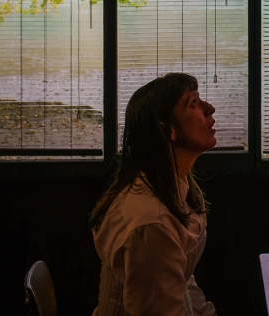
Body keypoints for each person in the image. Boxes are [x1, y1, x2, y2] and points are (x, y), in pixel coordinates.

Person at [90, 73, 218, 316]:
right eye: (193, 103)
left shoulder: (177, 189)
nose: (209, 108)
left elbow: (181, 281)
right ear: (168, 130)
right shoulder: (152, 224)